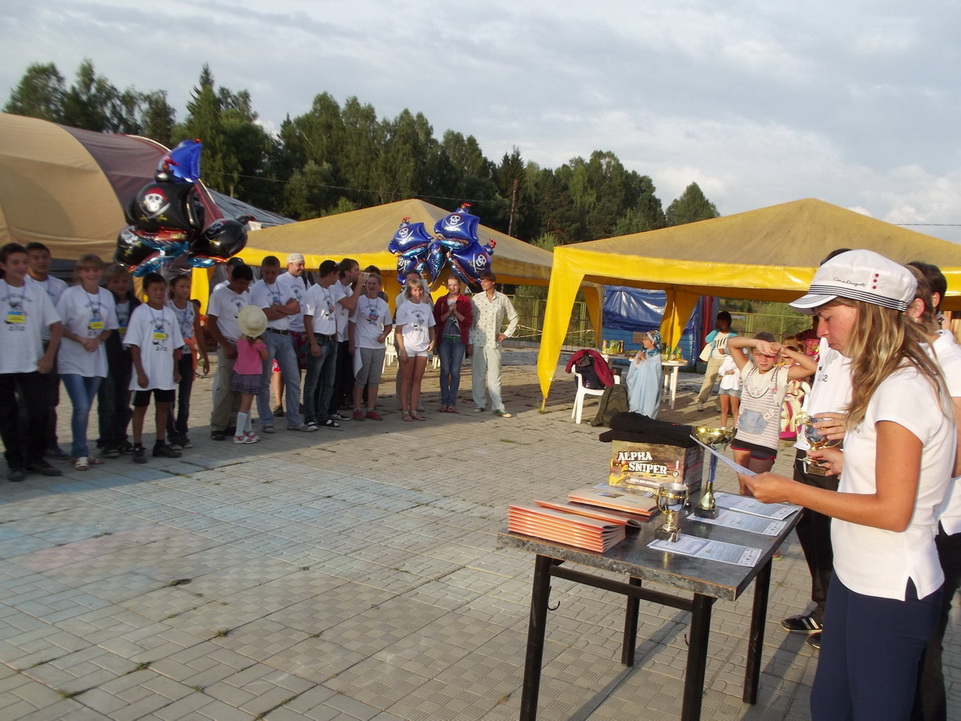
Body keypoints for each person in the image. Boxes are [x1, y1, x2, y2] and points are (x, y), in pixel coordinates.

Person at [742, 249, 956, 721]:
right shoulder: (886, 379)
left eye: (827, 317)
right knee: (830, 704)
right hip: (856, 576)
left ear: (868, 314)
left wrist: (791, 491)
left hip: (888, 588)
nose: (820, 331)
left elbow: (893, 511)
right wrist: (848, 460)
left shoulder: (903, 388)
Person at [780, 248, 854, 647]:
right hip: (809, 447)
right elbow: (821, 376)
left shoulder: (867, 346)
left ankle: (837, 616)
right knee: (809, 530)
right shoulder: (828, 339)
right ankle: (823, 605)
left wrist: (851, 424)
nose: (821, 327)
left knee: (832, 535)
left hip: (836, 453)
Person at [905, 262, 961, 721]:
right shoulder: (913, 358)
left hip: (942, 523)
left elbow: (957, 457)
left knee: (925, 647)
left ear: (923, 305)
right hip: (911, 519)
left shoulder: (952, 364)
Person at [0, 242, 63, 481]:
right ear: (3, 265)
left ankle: (35, 458)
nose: (21, 266)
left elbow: (56, 325)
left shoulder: (36, 292)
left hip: (32, 363)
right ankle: (15, 461)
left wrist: (48, 356)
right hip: (3, 365)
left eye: (23, 262)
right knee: (8, 416)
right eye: (15, 262)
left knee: (39, 412)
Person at [727, 331, 816, 492]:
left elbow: (812, 367)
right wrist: (756, 343)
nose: (763, 359)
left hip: (764, 442)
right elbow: (732, 343)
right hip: (742, 438)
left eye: (768, 356)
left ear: (776, 356)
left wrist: (784, 349)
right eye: (758, 355)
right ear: (752, 354)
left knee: (755, 490)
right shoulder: (748, 369)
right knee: (743, 489)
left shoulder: (781, 374)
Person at [56, 254, 117, 471]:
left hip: (95, 359)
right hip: (72, 358)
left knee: (86, 407)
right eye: (87, 270)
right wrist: (80, 339)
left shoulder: (106, 295)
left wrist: (98, 340)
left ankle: (78, 451)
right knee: (80, 406)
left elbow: (110, 327)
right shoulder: (70, 295)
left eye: (96, 269)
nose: (92, 274)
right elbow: (58, 325)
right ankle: (81, 451)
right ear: (80, 273)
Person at [125, 273, 183, 463]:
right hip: (146, 369)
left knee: (164, 406)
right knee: (140, 407)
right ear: (146, 291)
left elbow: (175, 345)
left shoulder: (169, 314)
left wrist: (175, 370)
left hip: (164, 369)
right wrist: (140, 372)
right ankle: (137, 444)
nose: (159, 293)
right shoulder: (140, 313)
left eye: (161, 289)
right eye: (155, 289)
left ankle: (160, 442)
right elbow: (134, 344)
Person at [250, 256, 311, 433]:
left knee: (293, 378)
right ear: (262, 270)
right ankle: (266, 420)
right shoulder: (257, 288)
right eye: (267, 272)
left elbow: (296, 308)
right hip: (268, 334)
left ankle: (294, 419)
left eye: (273, 272)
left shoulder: (284, 286)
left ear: (278, 270)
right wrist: (285, 310)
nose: (270, 275)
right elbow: (265, 314)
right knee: (264, 380)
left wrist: (278, 308)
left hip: (285, 335)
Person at [25, 241, 69, 460]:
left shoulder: (60, 286)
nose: (41, 261)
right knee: (25, 402)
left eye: (44, 257)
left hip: (52, 345)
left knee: (50, 401)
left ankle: (50, 443)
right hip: (27, 347)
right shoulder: (21, 285)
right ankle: (26, 447)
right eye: (35, 258)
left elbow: (63, 320)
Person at [206, 262, 252, 440]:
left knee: (239, 387)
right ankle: (218, 425)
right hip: (228, 343)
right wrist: (224, 345)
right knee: (225, 388)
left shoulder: (247, 295)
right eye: (241, 283)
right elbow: (211, 322)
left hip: (244, 345)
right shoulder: (219, 295)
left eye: (246, 284)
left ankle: (232, 423)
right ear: (232, 279)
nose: (243, 287)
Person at [166, 274, 209, 449]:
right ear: (173, 288)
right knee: (169, 397)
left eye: (187, 286)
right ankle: (171, 432)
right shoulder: (167, 307)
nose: (185, 290)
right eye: (181, 286)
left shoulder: (192, 307)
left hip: (187, 353)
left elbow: (198, 331)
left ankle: (182, 431)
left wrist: (205, 356)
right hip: (170, 355)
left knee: (185, 398)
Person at [470, 271, 519, 418]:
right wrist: (469, 340)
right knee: (478, 374)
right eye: (481, 281)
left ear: (493, 282)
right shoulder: (476, 298)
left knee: (495, 375)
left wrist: (506, 333)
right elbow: (471, 320)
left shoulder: (502, 299)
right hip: (478, 340)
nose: (483, 283)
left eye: (485, 281)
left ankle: (498, 406)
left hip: (494, 342)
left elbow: (514, 317)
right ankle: (479, 404)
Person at [302, 260, 341, 430]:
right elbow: (307, 319)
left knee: (329, 381)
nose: (337, 277)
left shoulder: (331, 291)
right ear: (331, 273)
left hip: (332, 339)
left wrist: (335, 333)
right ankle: (309, 417)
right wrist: (312, 343)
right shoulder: (312, 292)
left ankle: (323, 415)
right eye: (337, 274)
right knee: (312, 381)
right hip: (319, 338)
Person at [349, 272, 392, 421]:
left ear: (379, 286)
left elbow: (388, 324)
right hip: (363, 344)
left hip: (378, 346)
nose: (371, 286)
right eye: (369, 283)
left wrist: (384, 335)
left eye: (374, 283)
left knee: (374, 379)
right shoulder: (359, 300)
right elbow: (352, 322)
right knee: (361, 379)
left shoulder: (383, 304)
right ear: (365, 285)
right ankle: (357, 408)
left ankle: (371, 408)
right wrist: (352, 343)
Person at [395, 281, 435, 422]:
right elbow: (398, 331)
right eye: (415, 290)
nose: (418, 292)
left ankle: (413, 409)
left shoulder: (426, 308)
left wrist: (432, 341)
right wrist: (402, 349)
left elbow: (431, 326)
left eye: (420, 289)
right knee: (406, 378)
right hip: (408, 346)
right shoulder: (404, 307)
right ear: (410, 292)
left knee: (418, 379)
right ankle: (404, 410)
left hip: (422, 346)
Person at [328, 258, 363, 420]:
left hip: (343, 336)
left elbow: (352, 310)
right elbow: (349, 304)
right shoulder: (336, 286)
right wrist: (359, 286)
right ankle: (326, 408)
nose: (359, 273)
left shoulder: (347, 289)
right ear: (347, 272)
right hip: (332, 334)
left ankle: (335, 406)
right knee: (331, 375)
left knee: (341, 374)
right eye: (356, 270)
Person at [433, 276, 472, 413]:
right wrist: (448, 312)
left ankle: (452, 402)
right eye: (450, 285)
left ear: (459, 285)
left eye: (455, 285)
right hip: (444, 339)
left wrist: (456, 312)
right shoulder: (441, 301)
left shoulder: (465, 301)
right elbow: (436, 320)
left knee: (455, 371)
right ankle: (444, 401)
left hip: (459, 340)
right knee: (445, 370)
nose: (452, 288)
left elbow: (468, 322)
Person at [231, 306, 269, 444]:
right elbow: (265, 357)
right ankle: (239, 434)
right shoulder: (257, 342)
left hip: (240, 372)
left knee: (245, 404)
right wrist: (263, 347)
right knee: (246, 405)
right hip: (251, 374)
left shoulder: (240, 339)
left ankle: (248, 430)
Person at [695, 311, 737, 411]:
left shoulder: (733, 334)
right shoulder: (716, 332)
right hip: (714, 359)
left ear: (728, 322)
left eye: (723, 321)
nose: (722, 323)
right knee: (709, 379)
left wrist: (726, 351)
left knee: (723, 382)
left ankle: (719, 403)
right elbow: (707, 339)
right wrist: (715, 329)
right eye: (720, 321)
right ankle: (700, 400)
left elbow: (736, 346)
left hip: (726, 360)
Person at [625, 330, 662, 417]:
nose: (643, 341)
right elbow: (636, 366)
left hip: (649, 383)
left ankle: (647, 416)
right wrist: (637, 360)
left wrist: (644, 359)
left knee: (648, 399)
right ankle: (635, 414)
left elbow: (654, 369)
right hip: (639, 380)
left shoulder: (656, 355)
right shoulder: (642, 351)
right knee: (636, 398)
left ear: (652, 342)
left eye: (646, 340)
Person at [717, 351, 740, 428]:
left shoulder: (741, 358)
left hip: (734, 386)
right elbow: (721, 370)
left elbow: (735, 368)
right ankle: (723, 428)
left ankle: (735, 429)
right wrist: (726, 372)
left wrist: (727, 371)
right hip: (724, 386)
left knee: (735, 410)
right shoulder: (727, 358)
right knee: (724, 409)